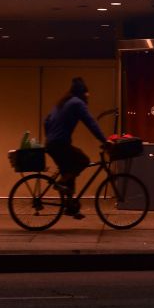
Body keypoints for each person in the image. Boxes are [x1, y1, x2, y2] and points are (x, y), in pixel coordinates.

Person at [43, 77, 109, 219]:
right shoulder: (77, 103)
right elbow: (91, 123)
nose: (87, 96)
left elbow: (46, 120)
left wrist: (49, 137)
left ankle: (70, 207)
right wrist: (105, 140)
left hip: (52, 143)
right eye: (86, 93)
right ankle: (61, 183)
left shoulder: (63, 101)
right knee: (83, 160)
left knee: (69, 172)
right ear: (82, 92)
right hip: (60, 144)